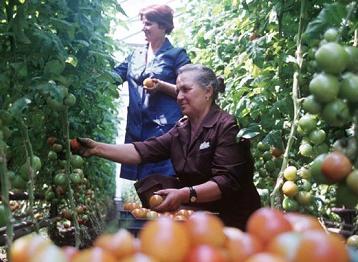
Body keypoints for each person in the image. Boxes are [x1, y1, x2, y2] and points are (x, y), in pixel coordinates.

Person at [75, 64, 261, 230]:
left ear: (208, 91)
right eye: (178, 90)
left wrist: (184, 194)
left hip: (234, 224)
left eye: (186, 90)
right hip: (202, 220)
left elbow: (226, 182)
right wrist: (95, 148)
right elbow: (142, 151)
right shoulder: (182, 129)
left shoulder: (227, 126)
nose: (179, 97)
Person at [113, 4, 191, 181]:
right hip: (137, 131)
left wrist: (162, 86)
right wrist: (95, 77)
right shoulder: (136, 54)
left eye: (148, 24)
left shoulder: (176, 55)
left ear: (163, 26)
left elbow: (189, 88)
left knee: (163, 184)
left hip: (164, 133)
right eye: (143, 23)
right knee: (144, 186)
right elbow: (116, 75)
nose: (143, 28)